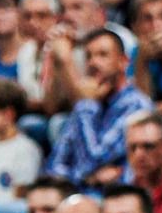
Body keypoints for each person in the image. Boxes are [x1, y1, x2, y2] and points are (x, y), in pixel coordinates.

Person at [45, 28, 153, 186]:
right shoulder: (91, 101)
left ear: (123, 62)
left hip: (113, 195)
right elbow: (55, 164)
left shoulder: (135, 105)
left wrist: (87, 104)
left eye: (103, 55)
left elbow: (93, 160)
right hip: (76, 191)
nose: (93, 63)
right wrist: (85, 178)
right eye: (88, 56)